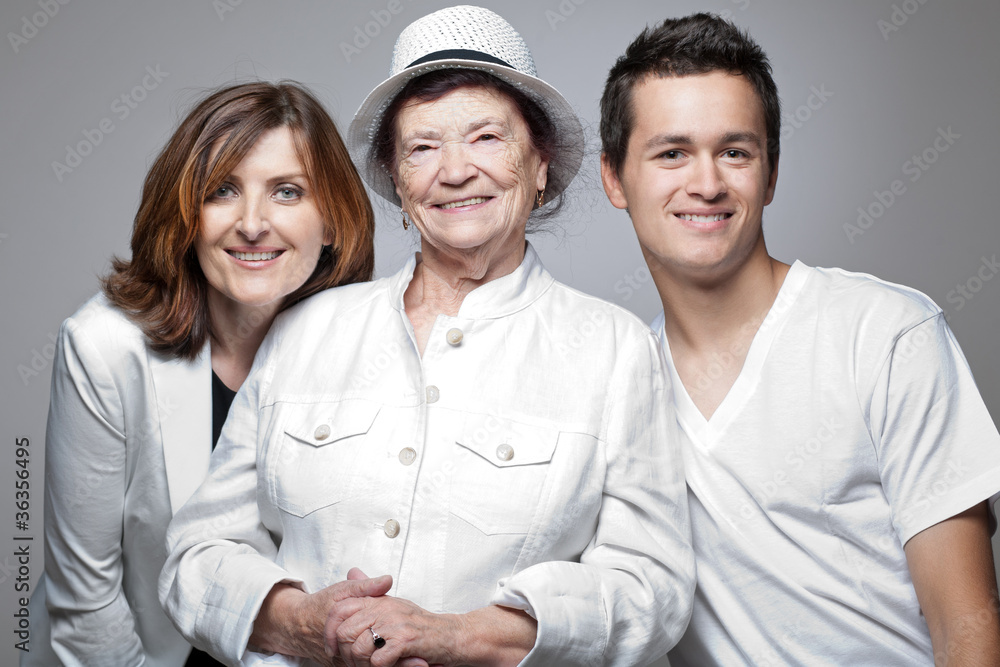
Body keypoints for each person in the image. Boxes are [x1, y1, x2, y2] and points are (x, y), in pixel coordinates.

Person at [159, 6, 695, 667]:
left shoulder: (614, 350)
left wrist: (459, 636)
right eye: (422, 147)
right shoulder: (304, 331)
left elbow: (652, 588)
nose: (455, 170)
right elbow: (195, 556)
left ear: (540, 164)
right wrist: (302, 624)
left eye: (486, 138)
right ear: (397, 180)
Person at [599, 12, 1000, 666]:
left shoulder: (885, 335)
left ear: (772, 172)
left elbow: (969, 631)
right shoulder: (618, 389)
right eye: (672, 153)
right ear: (614, 178)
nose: (707, 183)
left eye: (735, 152)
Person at [25, 81, 375, 667]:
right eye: (222, 191)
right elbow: (87, 604)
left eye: (287, 191)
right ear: (186, 214)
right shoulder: (105, 347)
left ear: (334, 220)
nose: (252, 223)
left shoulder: (371, 348)